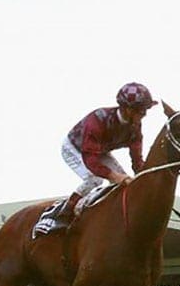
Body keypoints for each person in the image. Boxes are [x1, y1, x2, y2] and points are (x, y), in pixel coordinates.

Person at [54, 82, 157, 226]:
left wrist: (146, 179)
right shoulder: (97, 121)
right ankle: (66, 210)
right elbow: (91, 161)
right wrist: (114, 176)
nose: (144, 114)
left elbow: (137, 160)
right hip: (74, 148)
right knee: (95, 179)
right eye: (141, 110)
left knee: (123, 181)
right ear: (126, 108)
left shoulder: (135, 127)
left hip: (99, 150)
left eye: (146, 109)